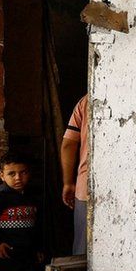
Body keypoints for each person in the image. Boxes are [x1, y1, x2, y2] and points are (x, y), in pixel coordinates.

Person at [61, 95, 89, 255]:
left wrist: (68, 182)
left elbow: (68, 144)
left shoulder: (85, 102)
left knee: (83, 252)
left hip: (86, 187)